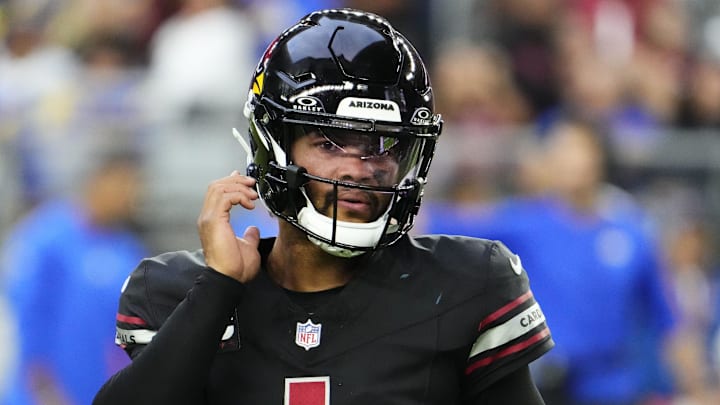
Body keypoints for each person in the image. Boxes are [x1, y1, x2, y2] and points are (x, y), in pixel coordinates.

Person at [93, 9, 554, 405]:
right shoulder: (175, 291)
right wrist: (216, 291)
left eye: (383, 144)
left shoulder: (465, 285)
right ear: (274, 145)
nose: (360, 168)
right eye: (330, 141)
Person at [422, 116, 677, 404]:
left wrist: (693, 386)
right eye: (560, 150)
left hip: (612, 388)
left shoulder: (631, 230)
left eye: (577, 148)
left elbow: (667, 319)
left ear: (598, 155)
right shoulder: (525, 222)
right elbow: (446, 223)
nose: (570, 160)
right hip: (544, 385)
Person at [1, 146, 148, 405]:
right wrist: (43, 389)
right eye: (124, 182)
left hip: (96, 392)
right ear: (99, 179)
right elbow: (24, 318)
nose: (131, 194)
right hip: (41, 395)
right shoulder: (45, 239)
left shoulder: (128, 250)